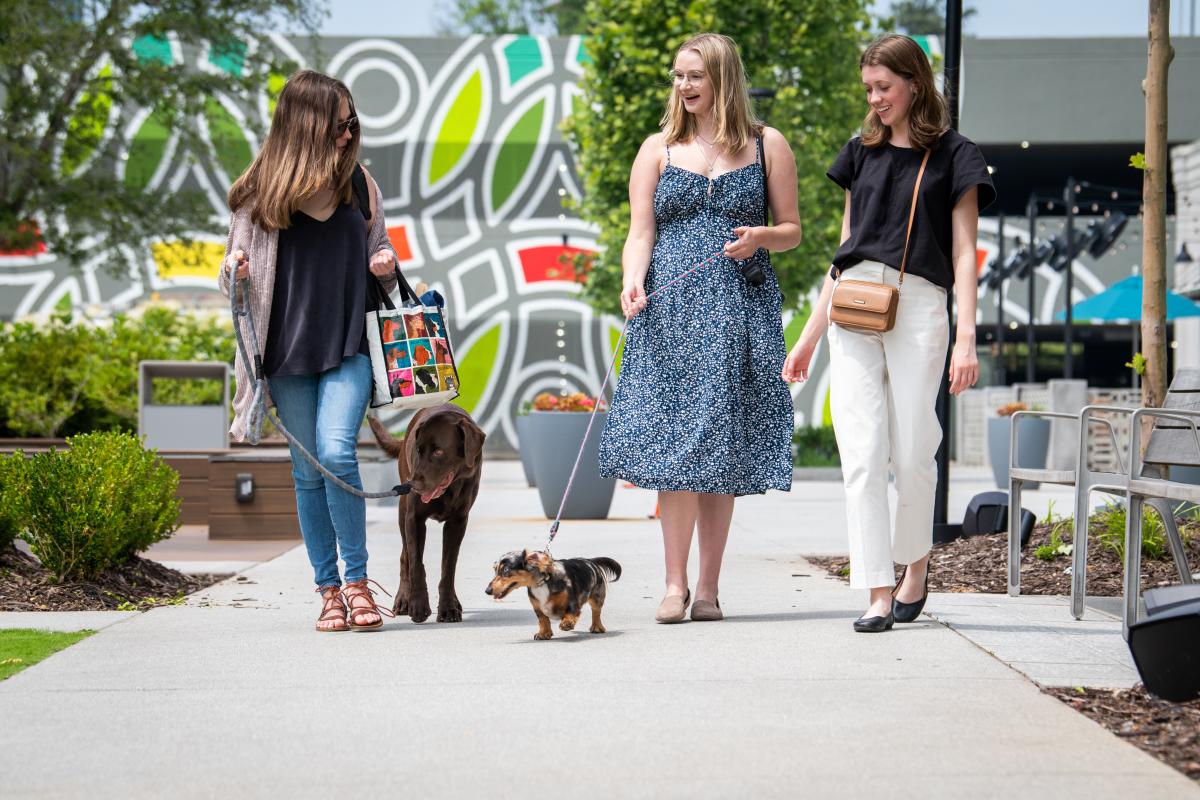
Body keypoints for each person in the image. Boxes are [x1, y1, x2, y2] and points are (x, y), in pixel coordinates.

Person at [782, 34, 996, 632]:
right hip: (854, 306)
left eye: (885, 87)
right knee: (862, 452)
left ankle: (916, 565)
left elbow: (962, 254)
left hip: (921, 305)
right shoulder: (861, 152)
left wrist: (967, 338)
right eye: (868, 89)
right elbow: (843, 251)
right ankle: (877, 588)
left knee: (914, 451)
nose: (875, 99)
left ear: (915, 84)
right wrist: (807, 336)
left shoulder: (956, 155)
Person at [598, 33, 801, 624]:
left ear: (723, 78)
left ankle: (708, 589)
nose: (684, 87)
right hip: (669, 313)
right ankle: (673, 585)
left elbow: (791, 229)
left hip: (739, 309)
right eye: (678, 76)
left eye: (695, 76)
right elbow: (640, 233)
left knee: (720, 451)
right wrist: (631, 282)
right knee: (674, 448)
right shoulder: (657, 148)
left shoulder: (768, 145)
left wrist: (760, 237)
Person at [217, 70, 399, 633]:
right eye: (340, 123)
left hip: (347, 345)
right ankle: (327, 590)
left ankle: (358, 582)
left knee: (337, 453)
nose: (348, 134)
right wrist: (235, 271)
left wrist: (385, 267)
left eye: (352, 123)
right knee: (307, 469)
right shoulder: (258, 194)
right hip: (285, 351)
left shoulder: (360, 185)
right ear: (306, 122)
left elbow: (382, 255)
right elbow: (233, 283)